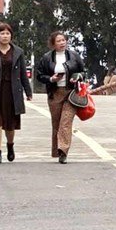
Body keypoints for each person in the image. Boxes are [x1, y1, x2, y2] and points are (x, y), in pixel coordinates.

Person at [0, 23, 33, 164]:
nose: (5, 36)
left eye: (7, 33)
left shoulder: (18, 52)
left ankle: (10, 145)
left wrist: (28, 91)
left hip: (12, 91)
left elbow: (22, 74)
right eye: (2, 33)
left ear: (11, 36)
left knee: (10, 124)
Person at [36, 31, 85, 164]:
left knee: (66, 122)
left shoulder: (74, 56)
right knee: (56, 123)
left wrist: (78, 76)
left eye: (63, 40)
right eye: (59, 41)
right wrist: (51, 78)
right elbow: (39, 75)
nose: (62, 43)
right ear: (53, 44)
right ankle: (56, 150)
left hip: (71, 93)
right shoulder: (47, 58)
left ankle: (63, 151)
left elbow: (83, 71)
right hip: (54, 93)